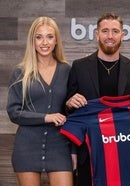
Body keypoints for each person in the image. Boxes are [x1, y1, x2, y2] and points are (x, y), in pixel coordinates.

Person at [65, 12, 130, 186]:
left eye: (115, 31)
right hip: (89, 152)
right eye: (105, 31)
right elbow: (68, 109)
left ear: (123, 35)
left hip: (124, 151)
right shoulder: (79, 67)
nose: (110, 36)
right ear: (97, 34)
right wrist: (69, 104)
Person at [6, 17, 73, 186]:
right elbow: (14, 112)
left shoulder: (67, 70)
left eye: (49, 37)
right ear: (32, 41)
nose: (45, 42)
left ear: (56, 40)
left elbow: (72, 114)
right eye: (39, 37)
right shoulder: (21, 72)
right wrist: (46, 117)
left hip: (59, 146)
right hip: (27, 146)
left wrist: (73, 151)